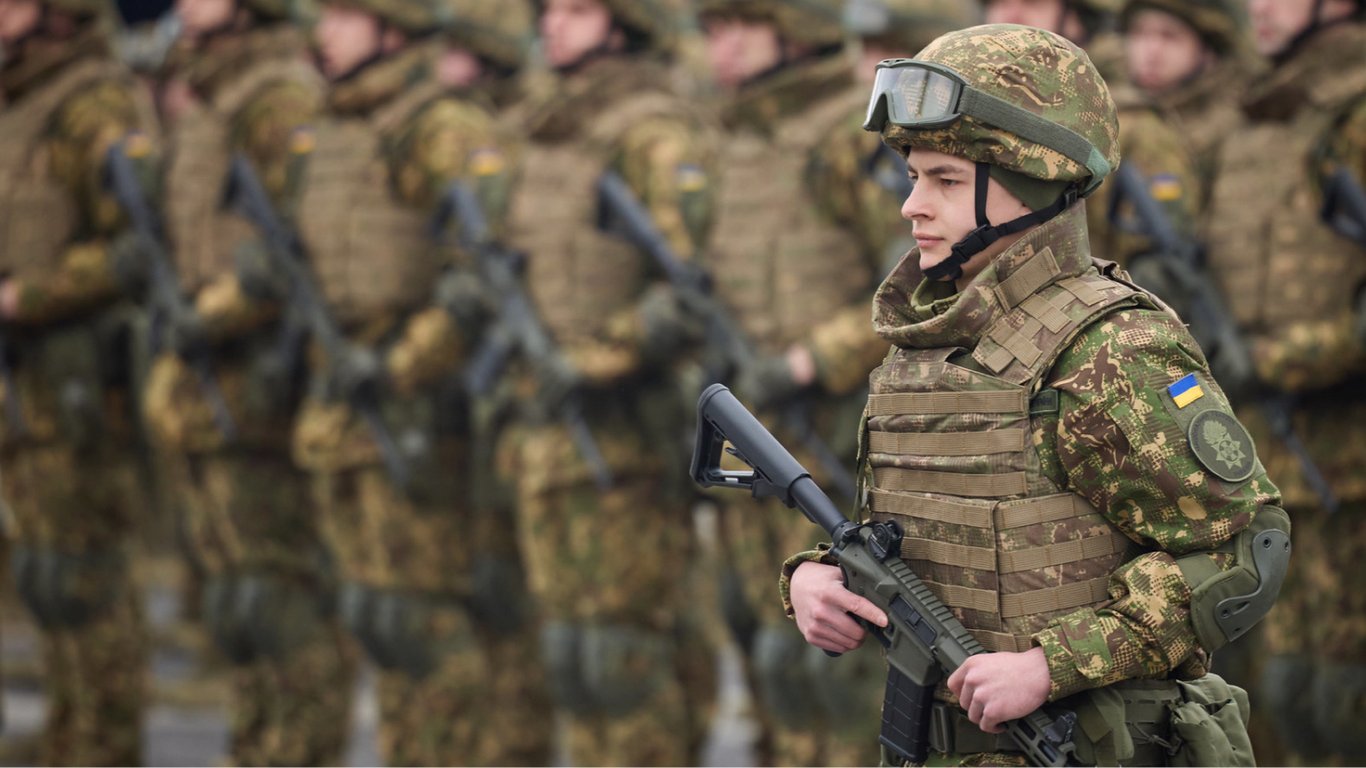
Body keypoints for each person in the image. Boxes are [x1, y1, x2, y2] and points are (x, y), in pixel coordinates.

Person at [785, 23, 1288, 766]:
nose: (911, 205)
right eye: (914, 176)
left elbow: (1245, 549)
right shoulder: (926, 344)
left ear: (1030, 181)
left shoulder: (1111, 347)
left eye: (945, 180)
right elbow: (918, 536)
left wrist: (1053, 664)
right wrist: (817, 576)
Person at [280, 0, 544, 764]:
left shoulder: (440, 127)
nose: (324, 30)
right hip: (344, 407)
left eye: (344, 14)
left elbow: (480, 272)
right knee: (379, 620)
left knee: (428, 626)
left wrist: (402, 363)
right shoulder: (334, 128)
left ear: (391, 26)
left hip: (419, 418)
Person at [696, 0, 926, 763]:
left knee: (838, 659)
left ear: (795, 30)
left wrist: (811, 360)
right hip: (752, 426)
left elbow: (915, 276)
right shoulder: (732, 139)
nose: (722, 46)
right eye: (713, 29)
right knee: (767, 649)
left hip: (832, 433)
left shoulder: (846, 135)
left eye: (741, 26)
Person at [492, 0, 716, 763]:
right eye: (549, 9)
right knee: (569, 655)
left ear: (624, 22)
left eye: (578, 8)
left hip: (623, 438)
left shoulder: (650, 133)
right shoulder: (541, 131)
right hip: (544, 431)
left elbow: (691, 286)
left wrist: (596, 357)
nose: (552, 23)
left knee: (626, 657)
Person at [138, 0, 357, 764]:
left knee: (280, 598)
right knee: (238, 603)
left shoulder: (277, 96)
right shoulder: (215, 94)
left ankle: (298, 750)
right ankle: (258, 746)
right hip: (208, 381)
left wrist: (218, 310)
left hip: (259, 386)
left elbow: (297, 242)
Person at [1203, 0, 1366, 763]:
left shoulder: (1354, 114)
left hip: (1349, 463)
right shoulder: (1250, 123)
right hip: (1264, 464)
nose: (1259, 8)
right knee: (1286, 694)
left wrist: (1278, 360)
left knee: (1345, 699)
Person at [0, 0, 154, 763]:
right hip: (24, 386)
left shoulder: (95, 104)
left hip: (76, 383)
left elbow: (135, 247)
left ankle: (105, 742)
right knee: (45, 572)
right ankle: (71, 731)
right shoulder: (21, 102)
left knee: (86, 577)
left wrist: (26, 296)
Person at [1121, 0, 1258, 204]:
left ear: (1206, 50)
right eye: (1140, 33)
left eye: (1169, 36)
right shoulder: (1110, 113)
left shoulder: (1232, 128)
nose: (1151, 50)